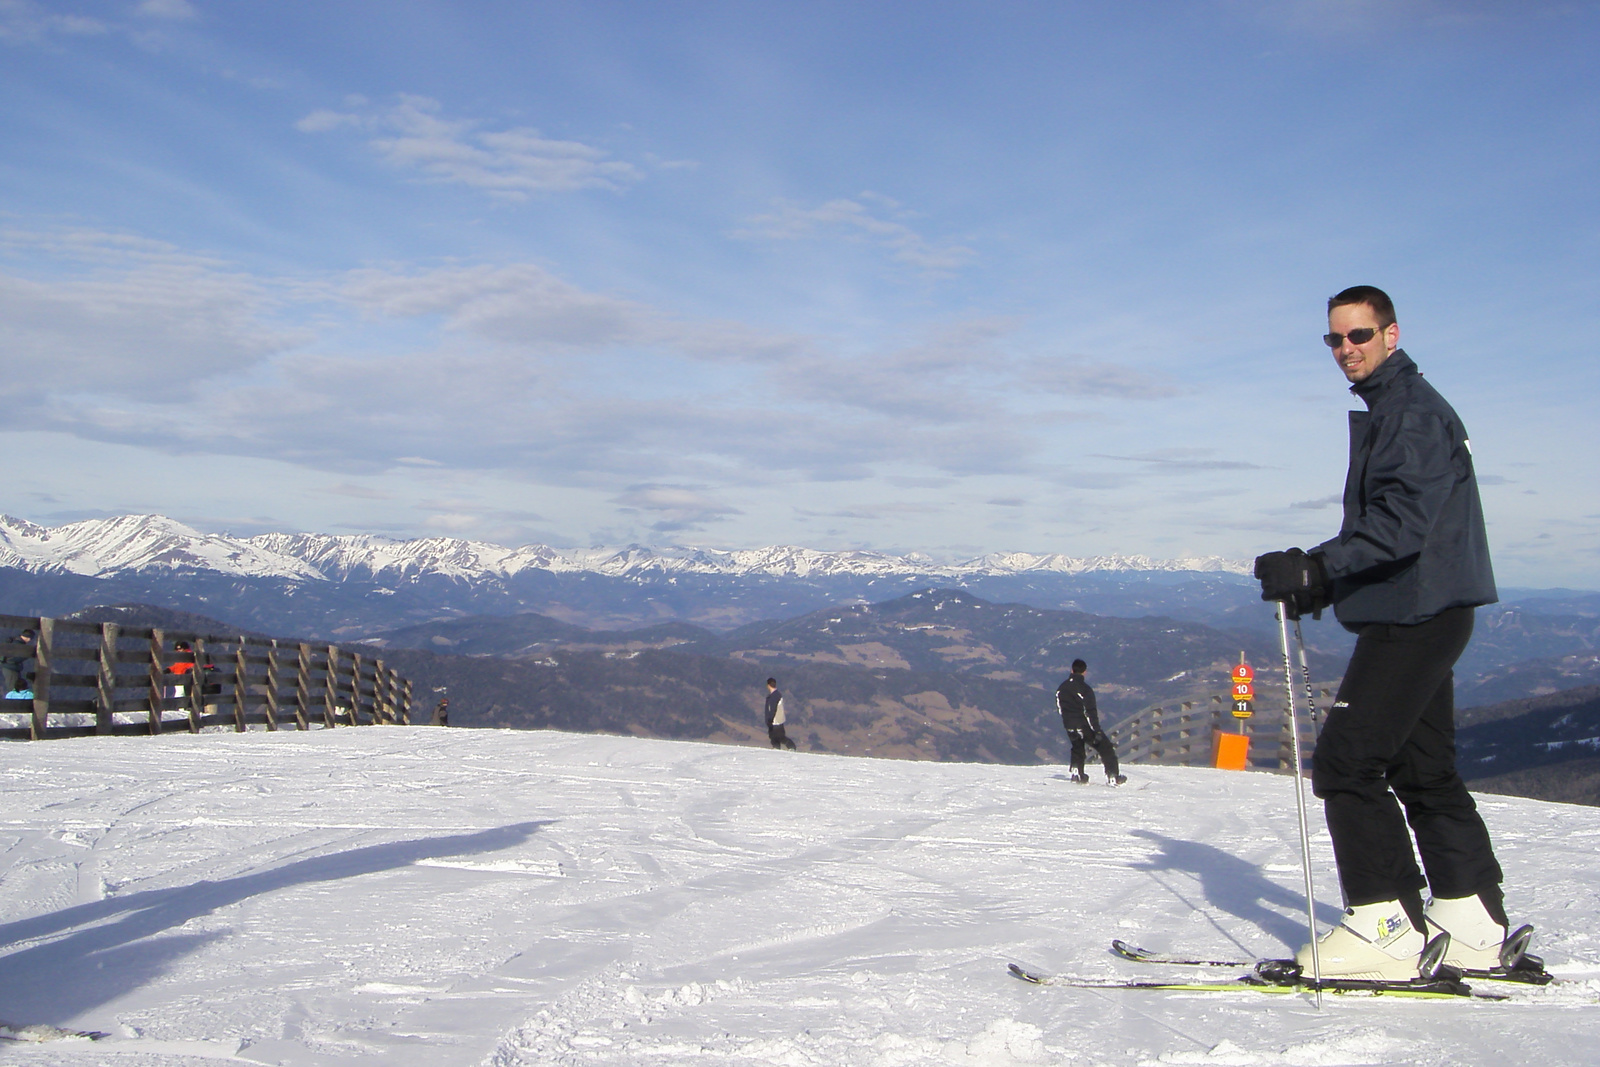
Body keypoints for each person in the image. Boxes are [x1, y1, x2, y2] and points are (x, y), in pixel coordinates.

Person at [1253, 285, 1512, 981]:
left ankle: (1384, 926)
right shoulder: (1401, 409)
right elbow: (1400, 529)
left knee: (1347, 761)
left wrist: (1315, 565)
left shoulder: (1410, 413)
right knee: (1421, 767)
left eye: (1359, 336)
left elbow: (1401, 524)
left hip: (1415, 615)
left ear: (1391, 335)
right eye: (1334, 340)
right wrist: (1326, 582)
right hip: (1426, 607)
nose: (1346, 351)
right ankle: (1469, 920)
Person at [1056, 659, 1125, 786]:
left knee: (1077, 747)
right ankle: (1113, 775)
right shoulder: (1085, 689)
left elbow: (1060, 707)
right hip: (1083, 725)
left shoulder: (1062, 688)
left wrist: (1067, 721)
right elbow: (1090, 712)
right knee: (1106, 748)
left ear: (1072, 670)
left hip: (1069, 724)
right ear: (1085, 672)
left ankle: (1077, 773)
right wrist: (1097, 730)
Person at [764, 678, 796, 750]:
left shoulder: (774, 696)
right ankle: (777, 750)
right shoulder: (777, 695)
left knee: (779, 737)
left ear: (768, 685)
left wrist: (769, 720)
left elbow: (772, 709)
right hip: (778, 721)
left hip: (775, 722)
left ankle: (792, 747)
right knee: (774, 738)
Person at [2, 628, 35, 696]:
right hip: (11, 668)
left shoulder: (14, 641)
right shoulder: (19, 645)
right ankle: (14, 704)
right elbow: (13, 658)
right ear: (28, 638)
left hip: (8, 667)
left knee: (13, 688)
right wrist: (28, 654)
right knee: (13, 688)